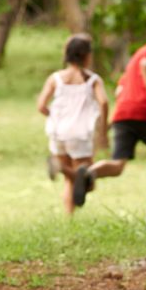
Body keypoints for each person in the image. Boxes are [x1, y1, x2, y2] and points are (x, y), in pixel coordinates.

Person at [72, 6, 146, 222]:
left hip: (123, 112)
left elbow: (121, 88)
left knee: (118, 165)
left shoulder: (139, 51)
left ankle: (90, 173)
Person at [37, 34, 108, 214]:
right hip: (80, 134)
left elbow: (41, 105)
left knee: (71, 180)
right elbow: (104, 102)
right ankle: (62, 169)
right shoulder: (93, 80)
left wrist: (53, 116)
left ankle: (69, 217)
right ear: (87, 56)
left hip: (58, 132)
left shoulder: (56, 78)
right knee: (88, 181)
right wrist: (103, 130)